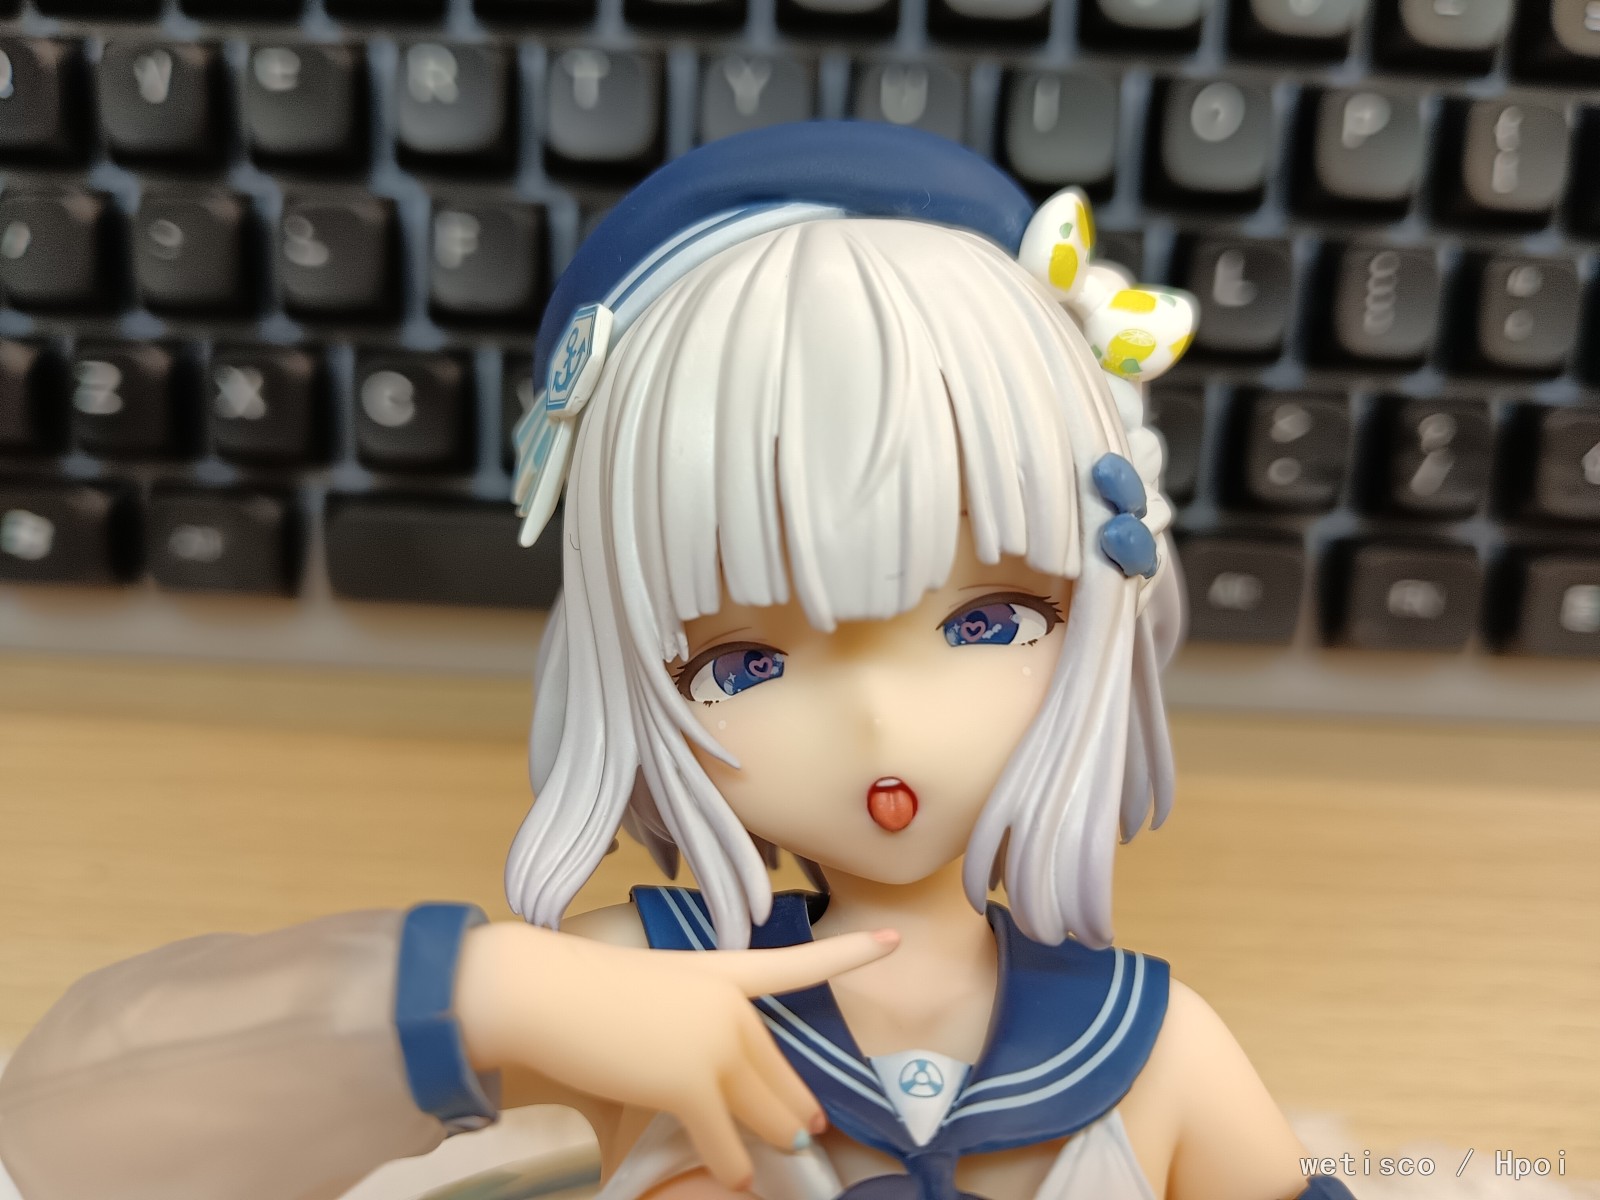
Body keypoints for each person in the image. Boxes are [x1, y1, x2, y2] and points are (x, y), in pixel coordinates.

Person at [0, 122, 1352, 1200]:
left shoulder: (1149, 1046)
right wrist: (482, 998)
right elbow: (62, 1144)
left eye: (989, 620)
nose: (881, 723)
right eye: (747, 661)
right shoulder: (644, 988)